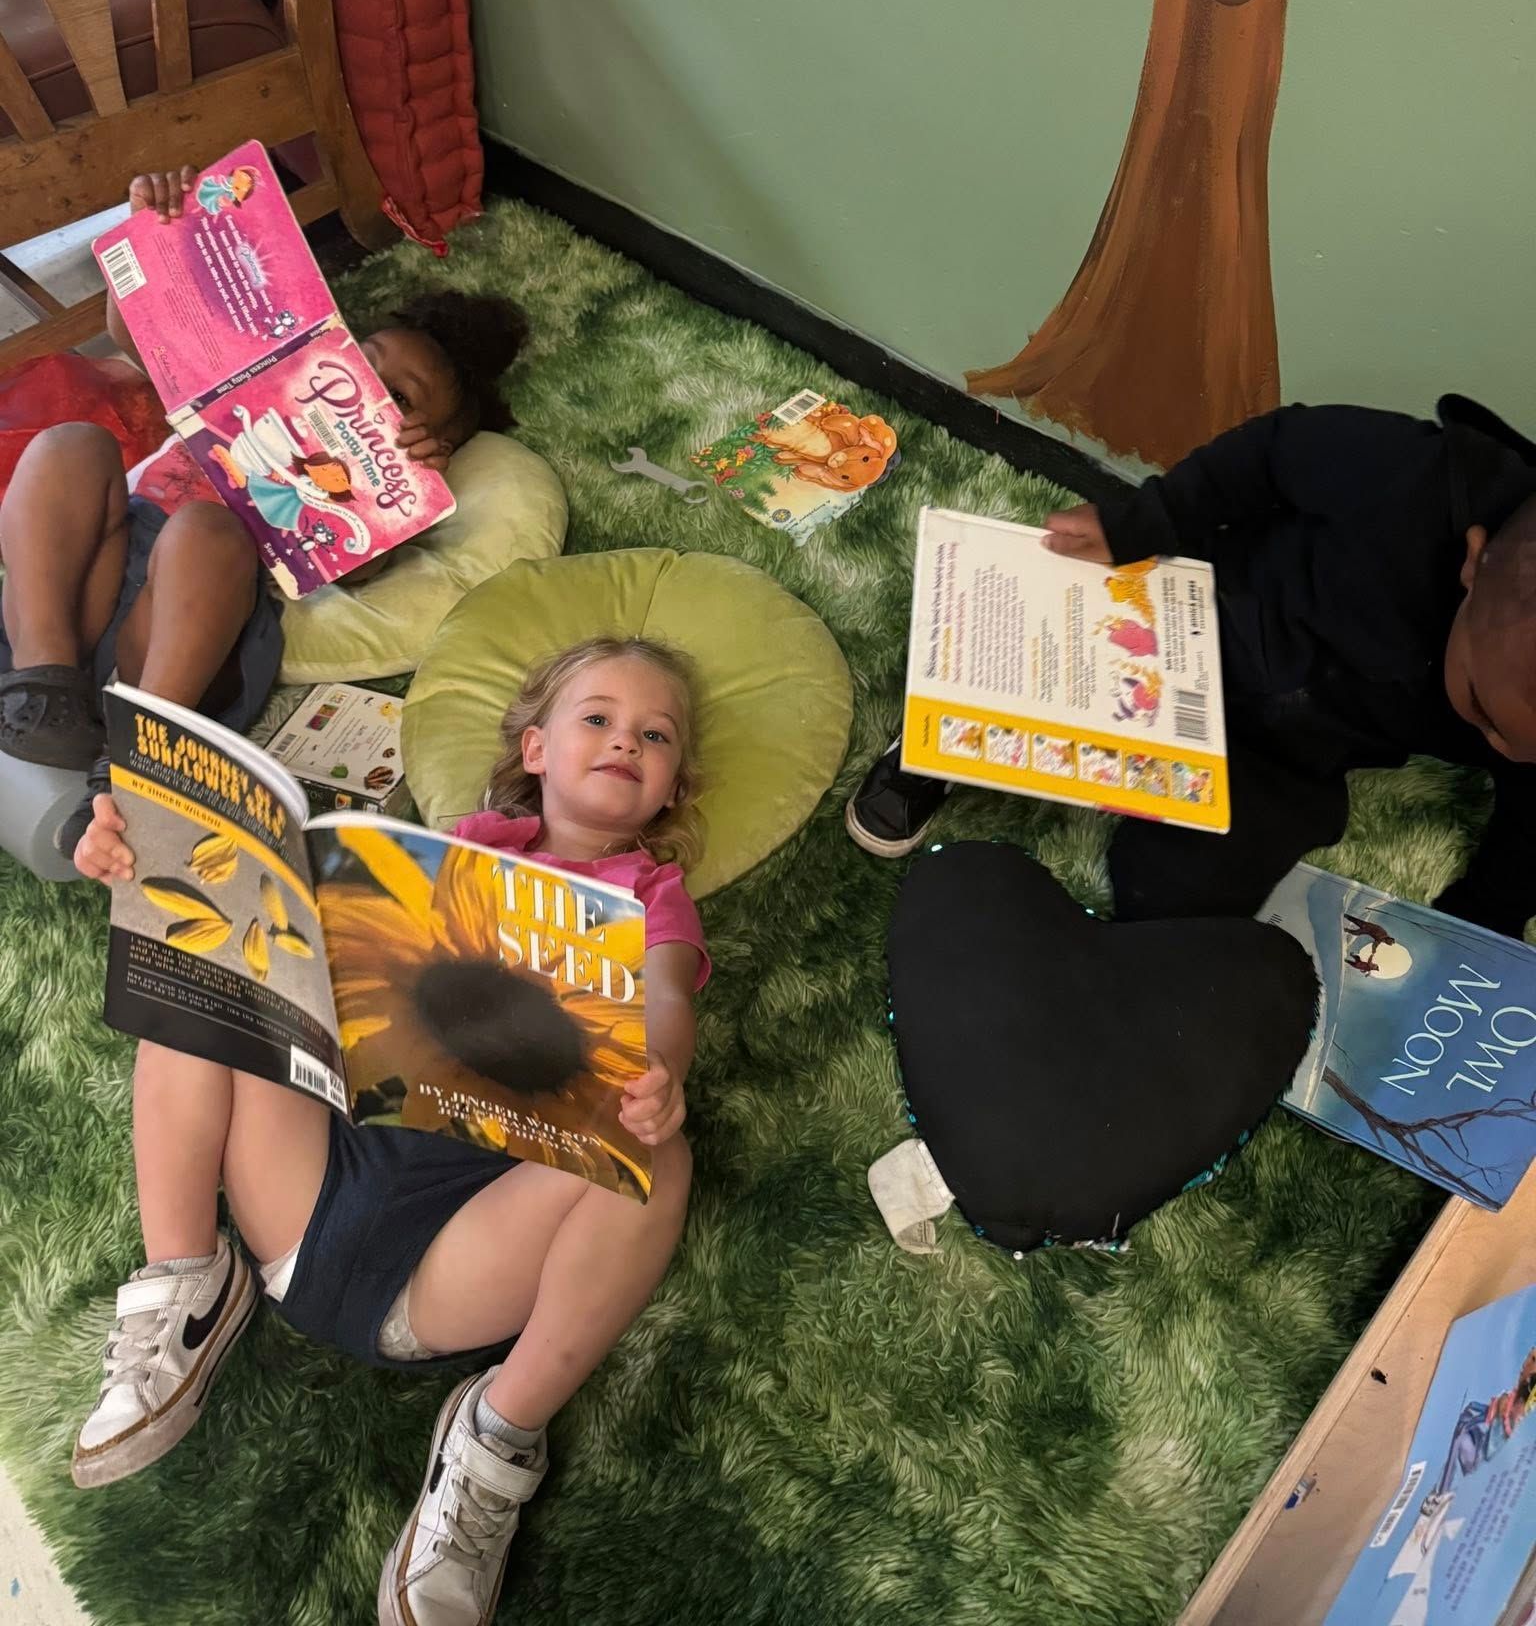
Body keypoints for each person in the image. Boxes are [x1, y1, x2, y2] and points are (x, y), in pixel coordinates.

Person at [69, 635, 708, 1626]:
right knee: (208, 964)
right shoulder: (465, 844)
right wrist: (136, 857)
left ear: (671, 788)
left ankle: (496, 1440)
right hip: (308, 1184)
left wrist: (656, 1069)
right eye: (598, 718)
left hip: (453, 1264)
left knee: (657, 1161)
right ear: (536, 749)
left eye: (654, 735)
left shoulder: (652, 896)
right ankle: (185, 1284)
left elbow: (665, 995)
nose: (626, 741)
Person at [847, 397, 1536, 938]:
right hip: (1200, 617)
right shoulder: (1415, 480)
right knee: (1025, 646)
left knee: (1177, 901)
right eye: (1483, 713)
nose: (1499, 751)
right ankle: (937, 738)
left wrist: (1485, 920)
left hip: (1293, 753)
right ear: (1474, 563)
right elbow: (1269, 454)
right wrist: (1144, 522)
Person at [0, 166, 530, 860]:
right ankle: (38, 686)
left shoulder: (372, 483)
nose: (367, 390)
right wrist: (154, 232)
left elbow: (360, 569)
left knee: (206, 529)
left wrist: (403, 490)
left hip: (183, 639)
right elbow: (140, 334)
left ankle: (144, 754)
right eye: (362, 362)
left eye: (400, 399)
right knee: (71, 444)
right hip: (85, 607)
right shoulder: (244, 384)